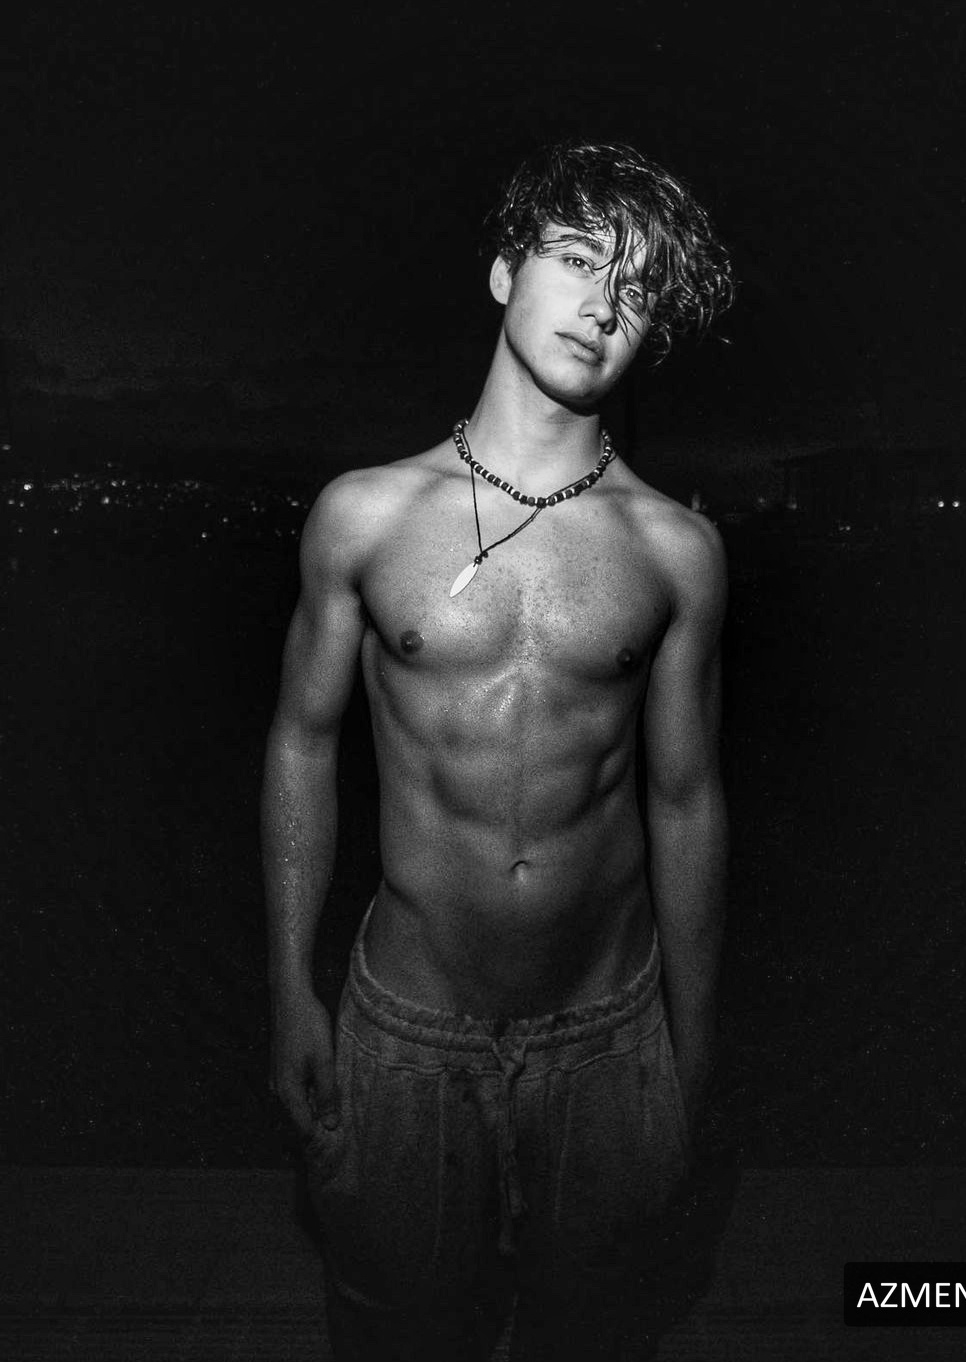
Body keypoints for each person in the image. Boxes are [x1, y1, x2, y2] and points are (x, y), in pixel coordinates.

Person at [262, 140, 732, 1361]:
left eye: (637, 290)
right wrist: (289, 989)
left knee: (598, 1334)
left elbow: (686, 802)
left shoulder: (676, 551)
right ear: (503, 272)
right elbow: (302, 745)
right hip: (407, 1034)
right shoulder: (364, 516)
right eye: (577, 259)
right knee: (396, 1334)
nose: (603, 306)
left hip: (606, 1036)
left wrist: (694, 1051)